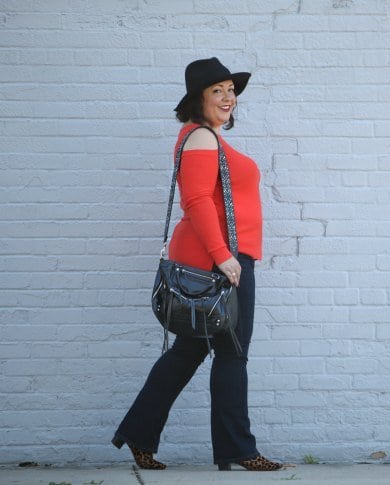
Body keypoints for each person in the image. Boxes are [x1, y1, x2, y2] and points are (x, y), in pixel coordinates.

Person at [111, 57, 283, 472]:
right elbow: (197, 201)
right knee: (233, 352)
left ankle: (138, 433)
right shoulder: (202, 139)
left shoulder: (205, 138)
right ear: (197, 99)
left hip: (215, 256)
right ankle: (238, 450)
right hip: (217, 258)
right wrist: (224, 257)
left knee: (189, 350)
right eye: (216, 91)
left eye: (231, 90)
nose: (228, 98)